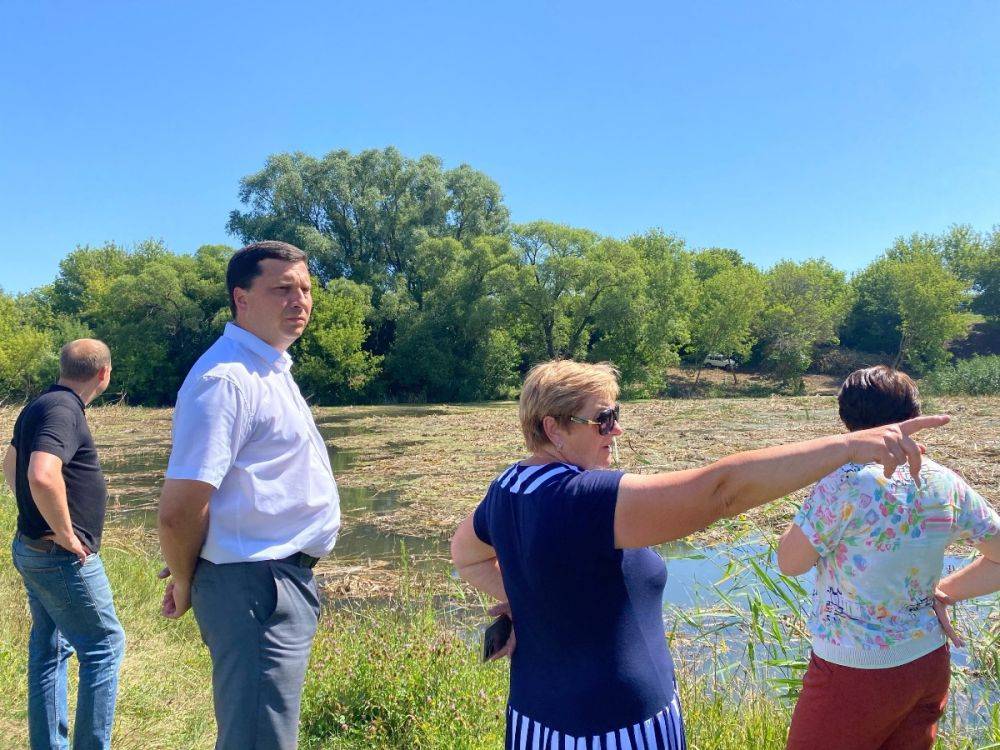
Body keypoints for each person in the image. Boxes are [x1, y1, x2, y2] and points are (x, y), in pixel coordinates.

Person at [451, 359, 949, 750]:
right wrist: (847, 447)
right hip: (618, 728)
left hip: (536, 724)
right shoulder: (582, 498)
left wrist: (527, 596)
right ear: (553, 427)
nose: (616, 432)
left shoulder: (509, 486)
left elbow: (467, 557)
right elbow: (720, 492)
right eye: (603, 420)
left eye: (616, 416)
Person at [158, 241, 341, 750]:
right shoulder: (226, 380)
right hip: (254, 585)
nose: (299, 300)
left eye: (304, 288)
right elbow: (178, 511)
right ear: (241, 298)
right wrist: (186, 578)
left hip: (271, 580)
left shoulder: (269, 367)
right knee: (260, 741)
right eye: (282, 288)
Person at [778, 366, 1000, 750]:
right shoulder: (943, 481)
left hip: (854, 670)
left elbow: (790, 563)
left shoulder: (844, 483)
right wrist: (943, 592)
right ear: (914, 417)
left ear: (847, 420)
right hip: (927, 663)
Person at [3, 339, 125, 750]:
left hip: (34, 549)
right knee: (105, 647)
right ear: (103, 374)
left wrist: (36, 517)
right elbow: (40, 474)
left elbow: (10, 462)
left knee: (50, 647)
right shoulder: (64, 410)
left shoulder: (40, 404)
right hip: (59, 558)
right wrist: (67, 533)